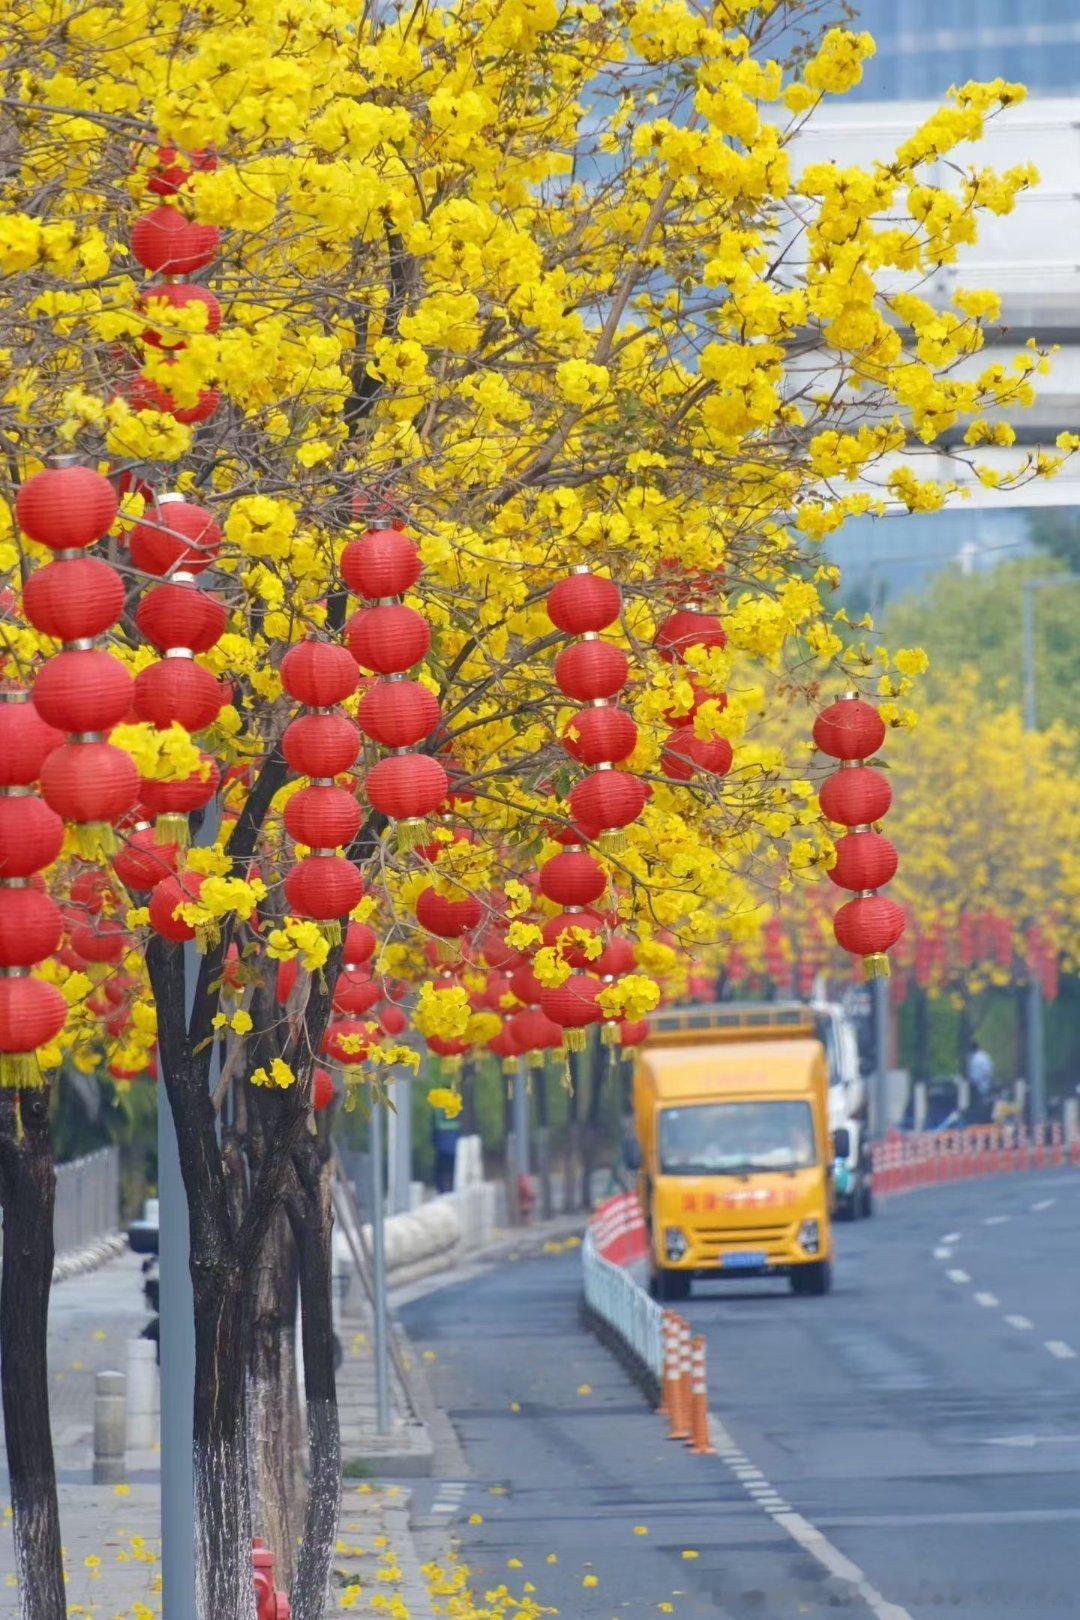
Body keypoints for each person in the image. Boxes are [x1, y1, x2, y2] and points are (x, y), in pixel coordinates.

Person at [431, 1103, 460, 1194]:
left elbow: (433, 1129)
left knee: (441, 1171)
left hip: (441, 1148)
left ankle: (441, 1189)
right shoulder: (457, 1110)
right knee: (452, 1170)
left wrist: (433, 1143)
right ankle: (451, 1188)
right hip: (454, 1147)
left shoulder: (438, 1111)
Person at [966, 1039, 994, 1124]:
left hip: (979, 1084)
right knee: (984, 1103)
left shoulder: (975, 1059)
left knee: (980, 1104)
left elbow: (973, 1074)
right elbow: (989, 1070)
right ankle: (984, 1119)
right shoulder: (985, 1056)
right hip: (985, 1083)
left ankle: (981, 1121)